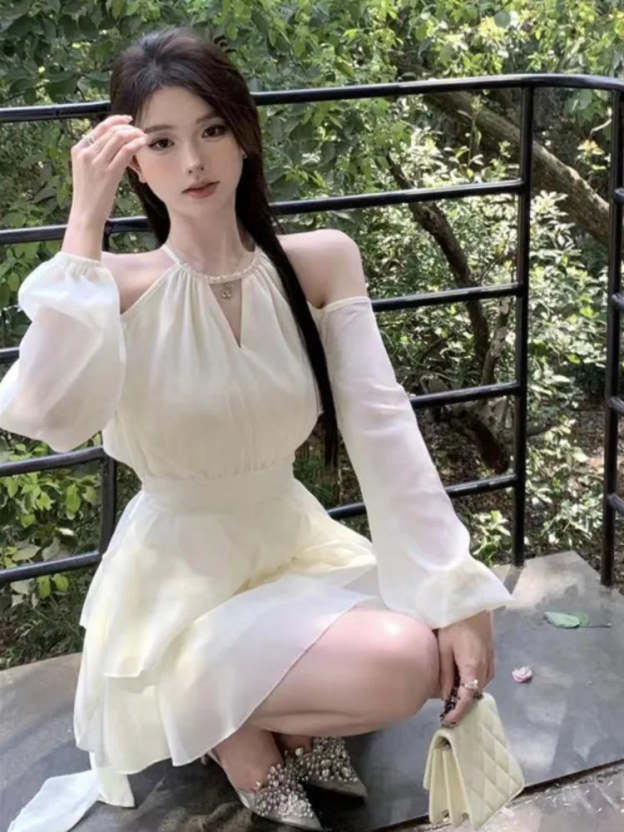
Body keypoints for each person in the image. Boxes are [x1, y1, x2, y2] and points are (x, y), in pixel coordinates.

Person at [0, 25, 515, 832]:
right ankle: (219, 718)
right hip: (175, 584)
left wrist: (457, 593)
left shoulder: (320, 262)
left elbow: (384, 428)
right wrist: (83, 226)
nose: (193, 162)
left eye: (211, 130)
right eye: (161, 142)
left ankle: (239, 710)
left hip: (293, 549)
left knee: (424, 643)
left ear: (244, 134)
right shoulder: (113, 287)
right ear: (133, 163)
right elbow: (44, 415)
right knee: (400, 660)